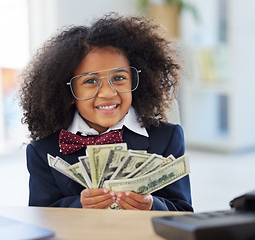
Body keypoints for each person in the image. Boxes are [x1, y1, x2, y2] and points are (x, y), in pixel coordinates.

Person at [19, 13, 193, 212]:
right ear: (68, 92)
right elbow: (40, 216)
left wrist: (153, 206)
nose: (109, 92)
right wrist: (79, 206)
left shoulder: (167, 138)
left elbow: (184, 212)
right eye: (90, 81)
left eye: (119, 77)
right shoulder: (42, 152)